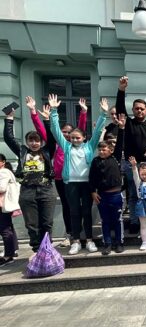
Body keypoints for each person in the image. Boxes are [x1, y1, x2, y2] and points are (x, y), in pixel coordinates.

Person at [49, 94, 108, 255]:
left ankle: (89, 240)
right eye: (72, 137)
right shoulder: (66, 147)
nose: (74, 139)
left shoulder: (89, 147)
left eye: (77, 137)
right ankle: (76, 241)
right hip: (71, 184)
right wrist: (54, 111)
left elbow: (97, 133)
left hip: (86, 184)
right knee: (74, 211)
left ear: (83, 138)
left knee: (87, 212)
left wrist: (103, 114)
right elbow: (55, 131)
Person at [27, 96, 88, 248]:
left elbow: (81, 128)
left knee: (82, 207)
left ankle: (83, 233)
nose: (67, 134)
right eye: (64, 132)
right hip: (62, 180)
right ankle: (70, 234)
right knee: (68, 207)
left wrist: (83, 112)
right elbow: (42, 130)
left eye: (69, 132)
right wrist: (33, 112)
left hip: (80, 180)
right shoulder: (56, 144)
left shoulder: (74, 145)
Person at [3, 105, 56, 252]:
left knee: (47, 222)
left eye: (37, 140)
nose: (34, 143)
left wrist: (46, 119)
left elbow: (52, 140)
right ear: (27, 142)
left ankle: (47, 249)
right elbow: (9, 138)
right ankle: (36, 250)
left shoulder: (46, 151)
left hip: (46, 190)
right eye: (31, 140)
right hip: (27, 190)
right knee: (32, 224)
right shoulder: (22, 151)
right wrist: (9, 117)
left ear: (41, 142)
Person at [115, 75, 146, 234]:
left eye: (142, 108)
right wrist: (121, 90)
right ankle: (135, 222)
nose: (139, 110)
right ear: (133, 110)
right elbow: (120, 110)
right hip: (132, 165)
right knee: (134, 195)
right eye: (136, 108)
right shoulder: (128, 124)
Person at [89, 115, 126, 255]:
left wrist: (121, 128)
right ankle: (107, 243)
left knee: (117, 220)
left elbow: (121, 142)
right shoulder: (95, 161)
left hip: (116, 195)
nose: (101, 151)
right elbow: (91, 178)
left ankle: (119, 242)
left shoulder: (115, 157)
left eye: (104, 149)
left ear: (110, 150)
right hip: (102, 196)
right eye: (100, 150)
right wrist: (93, 192)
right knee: (105, 220)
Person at [0, 154, 19, 266]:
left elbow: (1, 187)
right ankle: (12, 250)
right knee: (7, 227)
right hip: (3, 205)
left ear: (3, 162)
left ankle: (8, 255)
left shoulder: (3, 172)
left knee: (4, 229)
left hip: (2, 205)